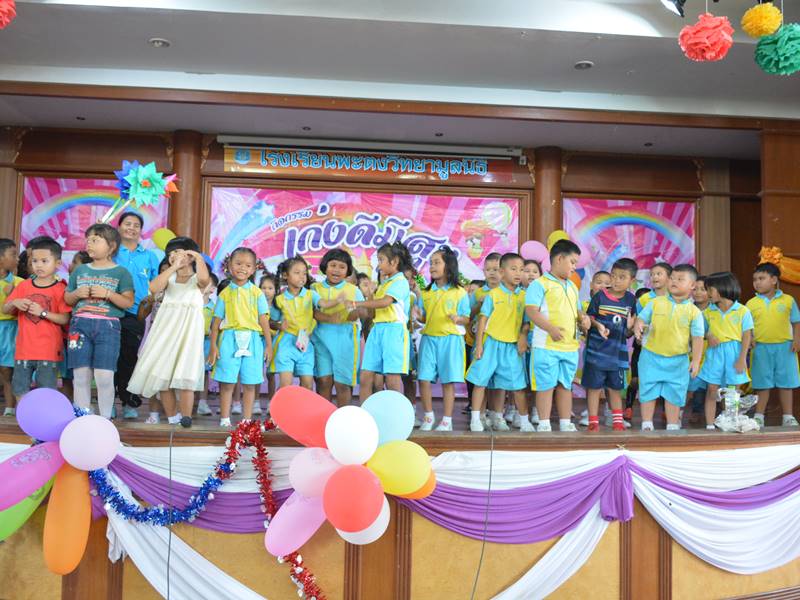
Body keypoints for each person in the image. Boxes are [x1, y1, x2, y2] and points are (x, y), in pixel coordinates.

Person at [127, 237, 210, 428]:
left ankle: (186, 417)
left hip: (188, 334)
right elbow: (153, 288)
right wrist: (173, 267)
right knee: (161, 374)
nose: (173, 256)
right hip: (165, 331)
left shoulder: (197, 279)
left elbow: (204, 280)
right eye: (170, 254)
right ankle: (172, 417)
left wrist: (198, 257)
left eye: (178, 252)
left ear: (190, 255)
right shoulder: (169, 278)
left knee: (186, 375)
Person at [64, 224, 134, 418]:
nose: (89, 244)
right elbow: (68, 299)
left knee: (104, 376)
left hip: (108, 327)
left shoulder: (121, 273)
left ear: (111, 246)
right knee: (80, 375)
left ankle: (105, 419)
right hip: (79, 326)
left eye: (95, 240)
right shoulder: (80, 271)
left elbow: (128, 302)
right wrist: (77, 294)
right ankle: (82, 418)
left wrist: (108, 294)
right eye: (88, 240)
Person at [526, 239, 590, 432]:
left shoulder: (572, 286)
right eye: (572, 262)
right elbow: (532, 311)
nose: (574, 267)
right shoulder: (539, 284)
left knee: (565, 385)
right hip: (546, 346)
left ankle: (564, 422)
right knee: (545, 386)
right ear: (560, 258)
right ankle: (544, 423)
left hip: (569, 346)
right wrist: (551, 329)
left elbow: (577, 311)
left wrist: (584, 319)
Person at [634, 264, 704, 431]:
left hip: (678, 360)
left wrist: (696, 361)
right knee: (648, 390)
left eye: (680, 279)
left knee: (675, 393)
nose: (674, 281)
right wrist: (638, 325)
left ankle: (672, 425)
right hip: (651, 356)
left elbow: (697, 338)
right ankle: (646, 424)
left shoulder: (694, 312)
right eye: (672, 278)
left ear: (692, 285)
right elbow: (641, 319)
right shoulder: (655, 302)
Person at [208, 247, 273, 426]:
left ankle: (246, 421)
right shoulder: (225, 293)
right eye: (238, 263)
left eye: (247, 265)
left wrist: (269, 345)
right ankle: (224, 419)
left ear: (253, 269)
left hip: (253, 340)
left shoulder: (257, 293)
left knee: (250, 383)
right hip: (228, 339)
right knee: (227, 382)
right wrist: (213, 345)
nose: (242, 268)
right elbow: (216, 322)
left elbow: (264, 321)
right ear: (229, 266)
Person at [2, 238, 71, 402]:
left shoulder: (61, 288)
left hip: (48, 351)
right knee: (19, 387)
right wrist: (14, 303)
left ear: (57, 263)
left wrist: (43, 313)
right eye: (34, 261)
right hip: (23, 349)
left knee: (46, 389)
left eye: (44, 261)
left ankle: (43, 416)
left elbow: (64, 318)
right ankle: (23, 415)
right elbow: (5, 309)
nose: (39, 265)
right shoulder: (24, 286)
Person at [467, 252, 529, 432]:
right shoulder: (493, 294)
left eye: (521, 269)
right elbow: (482, 320)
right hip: (490, 344)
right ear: (502, 272)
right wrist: (479, 345)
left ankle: (524, 422)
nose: (518, 273)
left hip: (512, 346)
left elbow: (526, 322)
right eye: (513, 269)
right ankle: (475, 418)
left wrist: (523, 337)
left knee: (517, 385)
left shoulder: (524, 296)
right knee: (480, 381)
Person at [417, 246, 470, 431]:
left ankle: (447, 420)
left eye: (437, 263)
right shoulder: (426, 293)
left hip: (451, 340)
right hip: (429, 339)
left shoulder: (459, 292)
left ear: (449, 266)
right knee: (423, 379)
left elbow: (467, 318)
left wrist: (458, 318)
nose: (432, 266)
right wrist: (418, 315)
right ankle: (428, 416)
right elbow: (424, 317)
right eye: (431, 263)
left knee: (448, 381)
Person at [582, 258, 638, 432]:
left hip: (617, 355)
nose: (616, 280)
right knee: (594, 388)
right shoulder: (599, 296)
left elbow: (628, 331)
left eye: (622, 277)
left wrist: (631, 328)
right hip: (596, 353)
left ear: (632, 280)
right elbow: (589, 318)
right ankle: (593, 422)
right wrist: (598, 325)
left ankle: (618, 422)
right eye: (613, 276)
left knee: (615, 389)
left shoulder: (631, 300)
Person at [114, 212, 160, 419]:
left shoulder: (149, 256)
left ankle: (128, 403)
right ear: (119, 227)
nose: (131, 228)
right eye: (127, 224)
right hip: (111, 311)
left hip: (136, 315)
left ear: (141, 230)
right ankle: (108, 402)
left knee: (130, 358)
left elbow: (156, 285)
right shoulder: (111, 251)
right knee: (110, 359)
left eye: (136, 225)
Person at [351, 242, 413, 395]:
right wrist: (370, 295)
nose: (378, 265)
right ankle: (365, 409)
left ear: (394, 261)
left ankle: (396, 410)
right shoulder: (383, 284)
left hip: (394, 331)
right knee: (365, 376)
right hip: (377, 330)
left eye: (381, 260)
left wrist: (357, 303)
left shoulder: (400, 281)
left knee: (392, 378)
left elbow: (385, 302)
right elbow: (372, 314)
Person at [272, 256, 341, 391]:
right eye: (297, 273)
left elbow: (323, 303)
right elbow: (271, 321)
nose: (302, 277)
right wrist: (279, 326)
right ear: (285, 275)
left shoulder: (311, 294)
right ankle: (279, 404)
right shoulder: (279, 299)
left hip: (305, 344)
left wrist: (338, 300)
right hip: (286, 344)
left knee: (308, 384)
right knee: (286, 384)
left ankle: (301, 406)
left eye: (304, 273)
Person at [747, 262, 800, 428]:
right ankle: (759, 416)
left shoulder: (788, 300)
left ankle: (788, 416)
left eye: (761, 278)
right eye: (755, 279)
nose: (757, 282)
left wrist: (797, 340)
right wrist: (750, 338)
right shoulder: (751, 303)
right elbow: (747, 327)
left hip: (785, 347)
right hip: (760, 348)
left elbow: (796, 322)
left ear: (774, 280)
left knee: (786, 382)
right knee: (762, 383)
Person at [699, 272, 753, 430]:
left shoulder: (742, 311)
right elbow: (700, 331)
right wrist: (708, 335)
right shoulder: (707, 312)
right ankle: (710, 425)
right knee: (712, 389)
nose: (708, 293)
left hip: (735, 353)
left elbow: (747, 335)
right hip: (714, 354)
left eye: (710, 289)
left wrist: (742, 359)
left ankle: (729, 422)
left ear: (723, 288)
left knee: (732, 392)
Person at [312, 249, 364, 406]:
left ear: (348, 270)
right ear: (325, 266)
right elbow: (312, 313)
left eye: (342, 267)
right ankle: (323, 418)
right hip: (320, 340)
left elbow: (363, 312)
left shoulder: (353, 290)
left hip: (345, 341)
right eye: (333, 265)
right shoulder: (314, 288)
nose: (336, 270)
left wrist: (353, 312)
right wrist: (330, 318)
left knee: (343, 384)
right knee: (323, 381)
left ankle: (343, 418)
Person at [464, 253, 502, 420]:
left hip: (501, 342)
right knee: (481, 379)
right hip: (481, 342)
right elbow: (468, 316)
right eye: (488, 269)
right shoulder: (479, 292)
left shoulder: (506, 292)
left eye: (496, 269)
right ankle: (479, 414)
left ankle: (496, 413)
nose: (492, 273)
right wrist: (479, 305)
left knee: (499, 381)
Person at [0, 238, 21, 415]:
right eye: (13, 255)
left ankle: (9, 408)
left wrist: (13, 294)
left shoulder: (19, 282)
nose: (17, 259)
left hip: (10, 329)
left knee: (7, 369)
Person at [625, 286, 652, 420]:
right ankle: (628, 407)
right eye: (641, 301)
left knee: (657, 381)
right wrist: (633, 329)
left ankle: (664, 411)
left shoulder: (657, 315)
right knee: (635, 380)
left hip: (654, 354)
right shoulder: (635, 316)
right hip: (639, 352)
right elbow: (627, 334)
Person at [196, 271, 219, 417]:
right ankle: (187, 401)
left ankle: (202, 402)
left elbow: (216, 325)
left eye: (207, 283)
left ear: (213, 289)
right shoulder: (192, 302)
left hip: (205, 343)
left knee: (204, 373)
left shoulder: (214, 307)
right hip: (191, 342)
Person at [686, 276, 709, 425]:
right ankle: (696, 410)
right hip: (693, 352)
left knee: (712, 383)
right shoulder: (688, 308)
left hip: (711, 352)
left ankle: (716, 411)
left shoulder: (714, 310)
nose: (698, 292)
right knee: (696, 383)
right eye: (695, 289)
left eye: (703, 289)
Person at [258, 272, 281, 413]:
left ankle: (272, 403)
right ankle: (255, 402)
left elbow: (280, 324)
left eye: (270, 288)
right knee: (256, 372)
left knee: (271, 373)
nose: (266, 291)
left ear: (276, 290)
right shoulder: (255, 305)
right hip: (258, 340)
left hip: (273, 342)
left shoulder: (278, 307)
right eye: (263, 288)